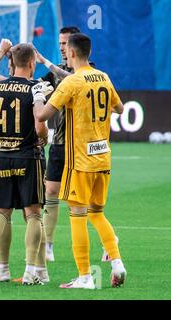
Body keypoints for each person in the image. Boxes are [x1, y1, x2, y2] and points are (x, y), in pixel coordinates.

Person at [33, 33, 127, 289]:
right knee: (97, 213)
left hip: (80, 161)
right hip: (103, 159)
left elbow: (41, 116)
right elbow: (119, 109)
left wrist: (38, 95)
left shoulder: (72, 82)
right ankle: (117, 262)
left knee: (77, 215)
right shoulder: (104, 77)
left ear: (71, 53)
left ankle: (85, 276)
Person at [0, 43, 50, 286]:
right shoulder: (35, 88)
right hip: (29, 156)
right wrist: (42, 137)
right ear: (31, 63)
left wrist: (7, 128)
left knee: (1, 212)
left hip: (4, 155)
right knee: (34, 214)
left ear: (12, 63)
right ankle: (30, 271)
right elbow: (39, 124)